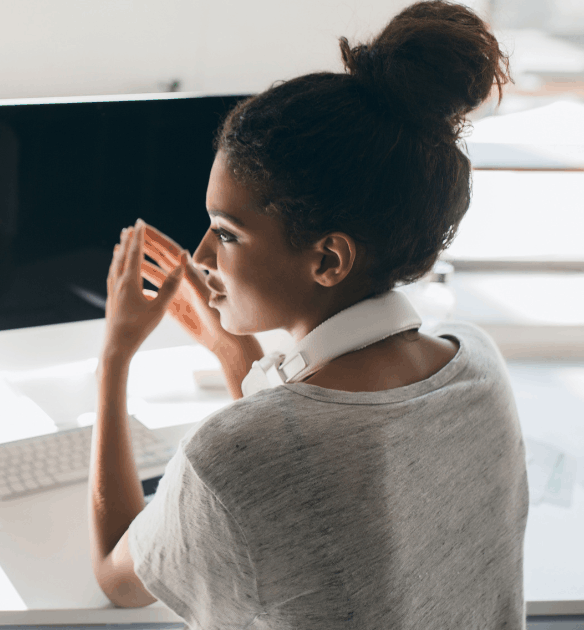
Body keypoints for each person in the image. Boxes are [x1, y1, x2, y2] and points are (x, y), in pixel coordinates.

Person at [88, 2, 527, 628]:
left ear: (328, 259)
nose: (203, 256)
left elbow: (117, 577)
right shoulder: (480, 366)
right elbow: (305, 469)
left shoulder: (226, 459)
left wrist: (114, 356)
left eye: (227, 233)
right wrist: (233, 351)